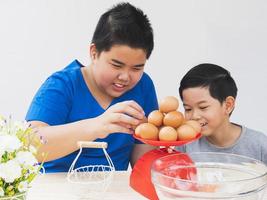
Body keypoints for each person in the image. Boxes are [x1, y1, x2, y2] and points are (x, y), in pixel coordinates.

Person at [26, 2, 158, 172]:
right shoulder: (62, 84)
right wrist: (97, 125)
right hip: (57, 188)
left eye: (137, 68)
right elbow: (29, 144)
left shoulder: (143, 86)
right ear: (94, 53)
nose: (125, 77)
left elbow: (143, 165)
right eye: (116, 65)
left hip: (113, 190)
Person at [175, 63, 267, 165]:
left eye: (203, 107)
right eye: (188, 109)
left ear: (228, 105)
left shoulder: (259, 145)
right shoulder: (185, 145)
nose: (194, 116)